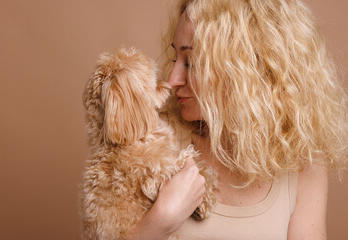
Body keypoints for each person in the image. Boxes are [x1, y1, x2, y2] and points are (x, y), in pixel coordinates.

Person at [129, 0, 348, 239]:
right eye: (176, 59)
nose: (172, 80)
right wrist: (160, 220)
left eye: (191, 63)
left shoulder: (305, 163)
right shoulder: (153, 141)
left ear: (248, 69)